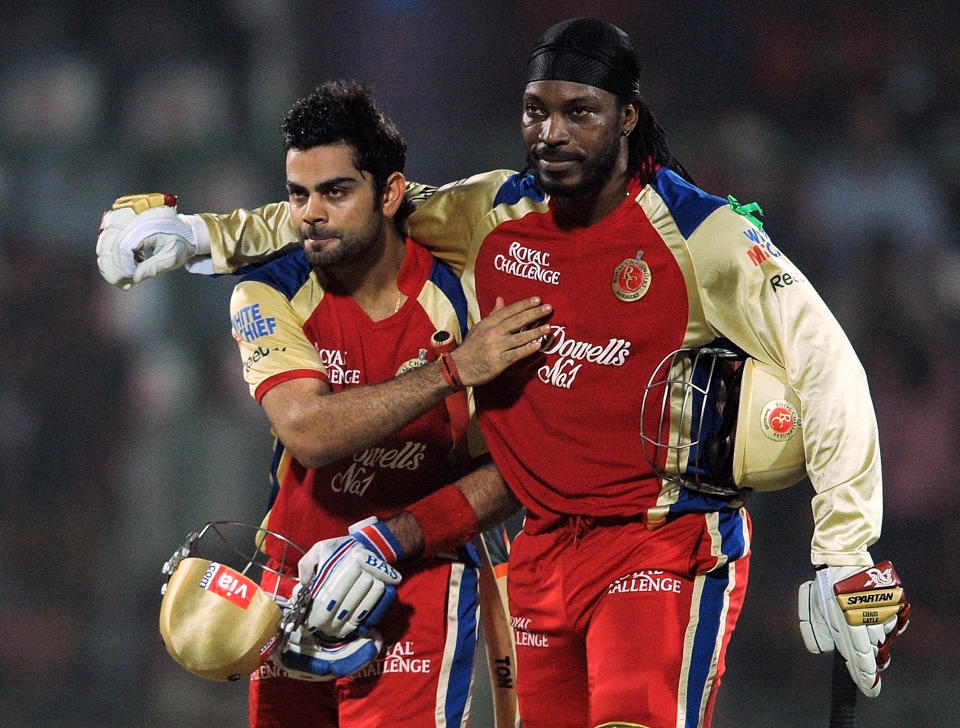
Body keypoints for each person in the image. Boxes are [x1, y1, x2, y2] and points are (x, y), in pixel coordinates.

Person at [96, 19, 909, 728]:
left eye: (579, 113)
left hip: (661, 545)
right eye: (536, 111)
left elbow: (828, 366)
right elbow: (349, 206)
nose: (551, 133)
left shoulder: (707, 236)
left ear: (627, 117)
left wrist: (844, 550)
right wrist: (203, 238)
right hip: (542, 552)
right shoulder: (492, 213)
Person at [142, 79, 549, 728]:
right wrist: (453, 370)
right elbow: (306, 430)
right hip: (286, 583)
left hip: (419, 579)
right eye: (298, 194)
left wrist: (392, 541)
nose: (311, 214)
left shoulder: (473, 292)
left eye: (335, 191)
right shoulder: (267, 292)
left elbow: (520, 466)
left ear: (390, 194)